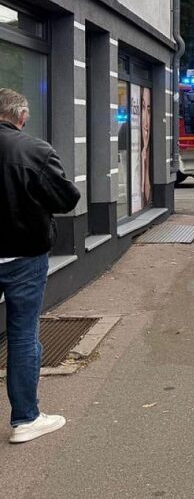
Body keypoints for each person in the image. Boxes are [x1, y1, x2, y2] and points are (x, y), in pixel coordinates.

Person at [0, 88, 81, 443]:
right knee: (22, 334)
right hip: (24, 255)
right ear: (21, 116)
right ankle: (25, 420)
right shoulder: (34, 150)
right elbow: (66, 198)